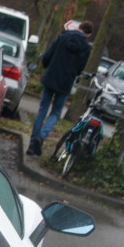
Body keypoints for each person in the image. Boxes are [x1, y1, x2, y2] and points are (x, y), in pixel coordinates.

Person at [27, 20, 94, 156]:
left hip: (51, 77)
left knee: (42, 109)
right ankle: (42, 136)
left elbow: (47, 55)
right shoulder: (86, 48)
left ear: (79, 27)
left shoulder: (63, 37)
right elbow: (80, 68)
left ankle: (32, 143)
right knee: (56, 112)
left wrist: (47, 67)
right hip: (65, 82)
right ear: (89, 34)